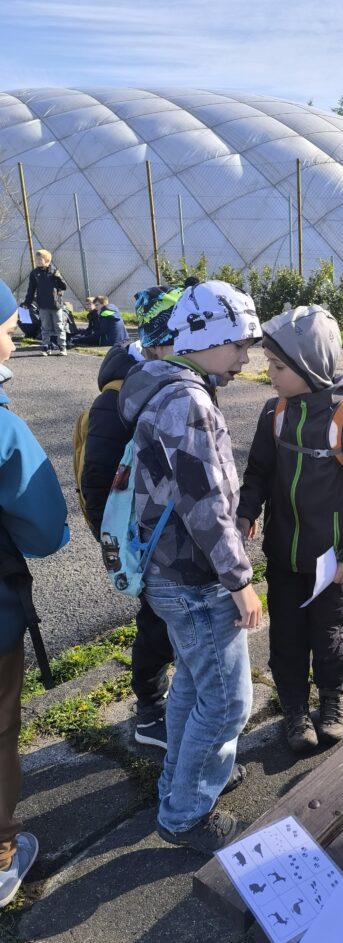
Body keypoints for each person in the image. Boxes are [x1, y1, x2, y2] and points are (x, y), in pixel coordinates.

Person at [118, 280, 263, 853]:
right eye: (239, 344)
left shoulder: (163, 386)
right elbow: (205, 505)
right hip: (196, 579)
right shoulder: (188, 402)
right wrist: (239, 580)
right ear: (205, 339)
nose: (246, 358)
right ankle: (184, 814)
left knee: (193, 688)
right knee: (228, 704)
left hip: (169, 573)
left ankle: (177, 783)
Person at [238, 304, 343, 753]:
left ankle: (332, 698)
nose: (269, 374)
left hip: (330, 564)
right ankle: (295, 708)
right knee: (286, 636)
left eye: (278, 366)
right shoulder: (274, 413)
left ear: (309, 367)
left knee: (329, 635)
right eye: (269, 364)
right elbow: (258, 471)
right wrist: (246, 511)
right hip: (283, 556)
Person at [80, 286, 183, 749]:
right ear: (162, 339)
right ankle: (150, 711)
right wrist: (121, 549)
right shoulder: (115, 399)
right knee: (156, 624)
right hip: (145, 540)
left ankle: (173, 701)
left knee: (175, 622)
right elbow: (96, 483)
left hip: (179, 533)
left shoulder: (179, 377)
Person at [0, 278, 69, 908]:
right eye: (5, 326)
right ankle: (1, 851)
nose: (17, 333)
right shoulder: (3, 429)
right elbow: (45, 530)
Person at [22, 249, 67, 355]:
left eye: (40, 259)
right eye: (36, 259)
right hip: (42, 305)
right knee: (45, 327)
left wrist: (59, 277)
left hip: (56, 305)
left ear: (47, 260)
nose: (37, 261)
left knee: (59, 326)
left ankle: (62, 346)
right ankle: (46, 346)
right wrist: (27, 303)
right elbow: (31, 290)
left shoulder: (54, 271)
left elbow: (63, 287)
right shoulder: (34, 273)